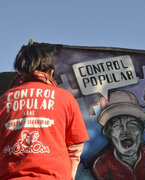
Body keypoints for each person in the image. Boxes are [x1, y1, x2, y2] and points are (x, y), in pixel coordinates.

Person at [0, 40, 89, 180]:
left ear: (19, 73)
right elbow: (75, 147)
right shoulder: (65, 98)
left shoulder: (3, 100)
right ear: (51, 72)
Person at [91, 83, 145, 180]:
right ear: (108, 134)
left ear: (141, 129)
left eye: (132, 124)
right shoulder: (101, 164)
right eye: (117, 126)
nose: (125, 131)